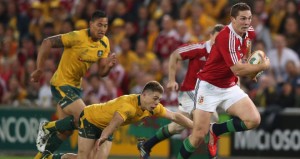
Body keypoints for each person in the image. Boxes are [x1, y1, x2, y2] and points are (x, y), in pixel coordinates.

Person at [176, 3, 270, 159]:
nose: (247, 22)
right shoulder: (226, 37)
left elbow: (248, 42)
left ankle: (216, 130)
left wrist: (247, 59)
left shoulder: (248, 30)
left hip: (228, 86)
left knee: (253, 120)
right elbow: (238, 70)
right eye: (242, 19)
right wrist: (263, 65)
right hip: (208, 87)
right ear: (232, 19)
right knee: (198, 135)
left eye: (249, 18)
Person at [31, 10, 117, 159]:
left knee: (65, 131)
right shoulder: (77, 37)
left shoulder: (104, 43)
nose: (102, 29)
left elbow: (102, 73)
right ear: (90, 24)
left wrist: (108, 67)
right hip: (61, 83)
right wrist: (39, 69)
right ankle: (47, 127)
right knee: (86, 117)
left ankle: (42, 157)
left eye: (105, 25)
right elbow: (47, 42)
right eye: (99, 25)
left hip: (76, 88)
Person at [137, 24, 225, 159]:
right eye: (217, 38)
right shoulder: (199, 48)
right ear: (210, 36)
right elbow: (174, 55)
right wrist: (172, 79)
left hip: (202, 95)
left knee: (176, 128)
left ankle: (147, 145)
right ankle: (213, 157)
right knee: (212, 119)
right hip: (190, 92)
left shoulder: (223, 55)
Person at [43, 81, 194, 159]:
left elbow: (175, 116)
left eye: (158, 99)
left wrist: (195, 126)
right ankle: (52, 157)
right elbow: (115, 121)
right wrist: (103, 136)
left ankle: (51, 131)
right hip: (90, 119)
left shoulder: (153, 107)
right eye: (155, 98)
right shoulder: (127, 106)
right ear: (144, 95)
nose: (157, 102)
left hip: (106, 127)